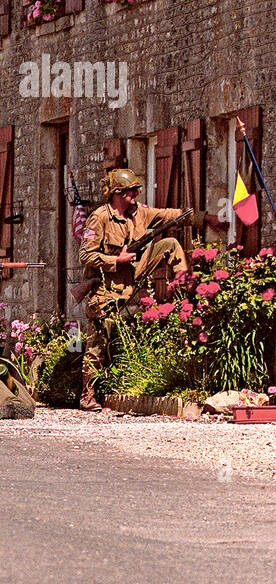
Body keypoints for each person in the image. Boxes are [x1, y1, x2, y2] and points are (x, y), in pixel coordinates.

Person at [78, 168, 190, 411]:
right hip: (107, 288)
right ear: (118, 193)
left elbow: (169, 215)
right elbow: (85, 254)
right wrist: (115, 260)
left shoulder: (139, 213)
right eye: (131, 191)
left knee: (169, 243)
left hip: (134, 279)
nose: (136, 194)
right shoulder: (100, 218)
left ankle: (183, 283)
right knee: (98, 344)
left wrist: (204, 217)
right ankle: (87, 396)